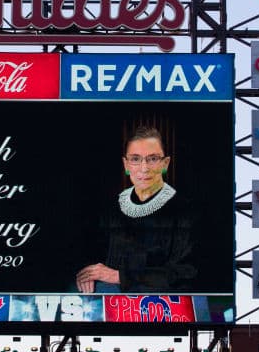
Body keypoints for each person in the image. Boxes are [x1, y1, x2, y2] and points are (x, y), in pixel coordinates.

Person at [75, 126, 198, 293]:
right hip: (108, 296)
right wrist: (86, 274)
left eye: (153, 159)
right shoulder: (112, 207)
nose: (144, 168)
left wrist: (121, 277)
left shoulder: (185, 211)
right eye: (135, 159)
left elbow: (187, 272)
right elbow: (89, 252)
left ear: (165, 163)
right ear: (126, 165)